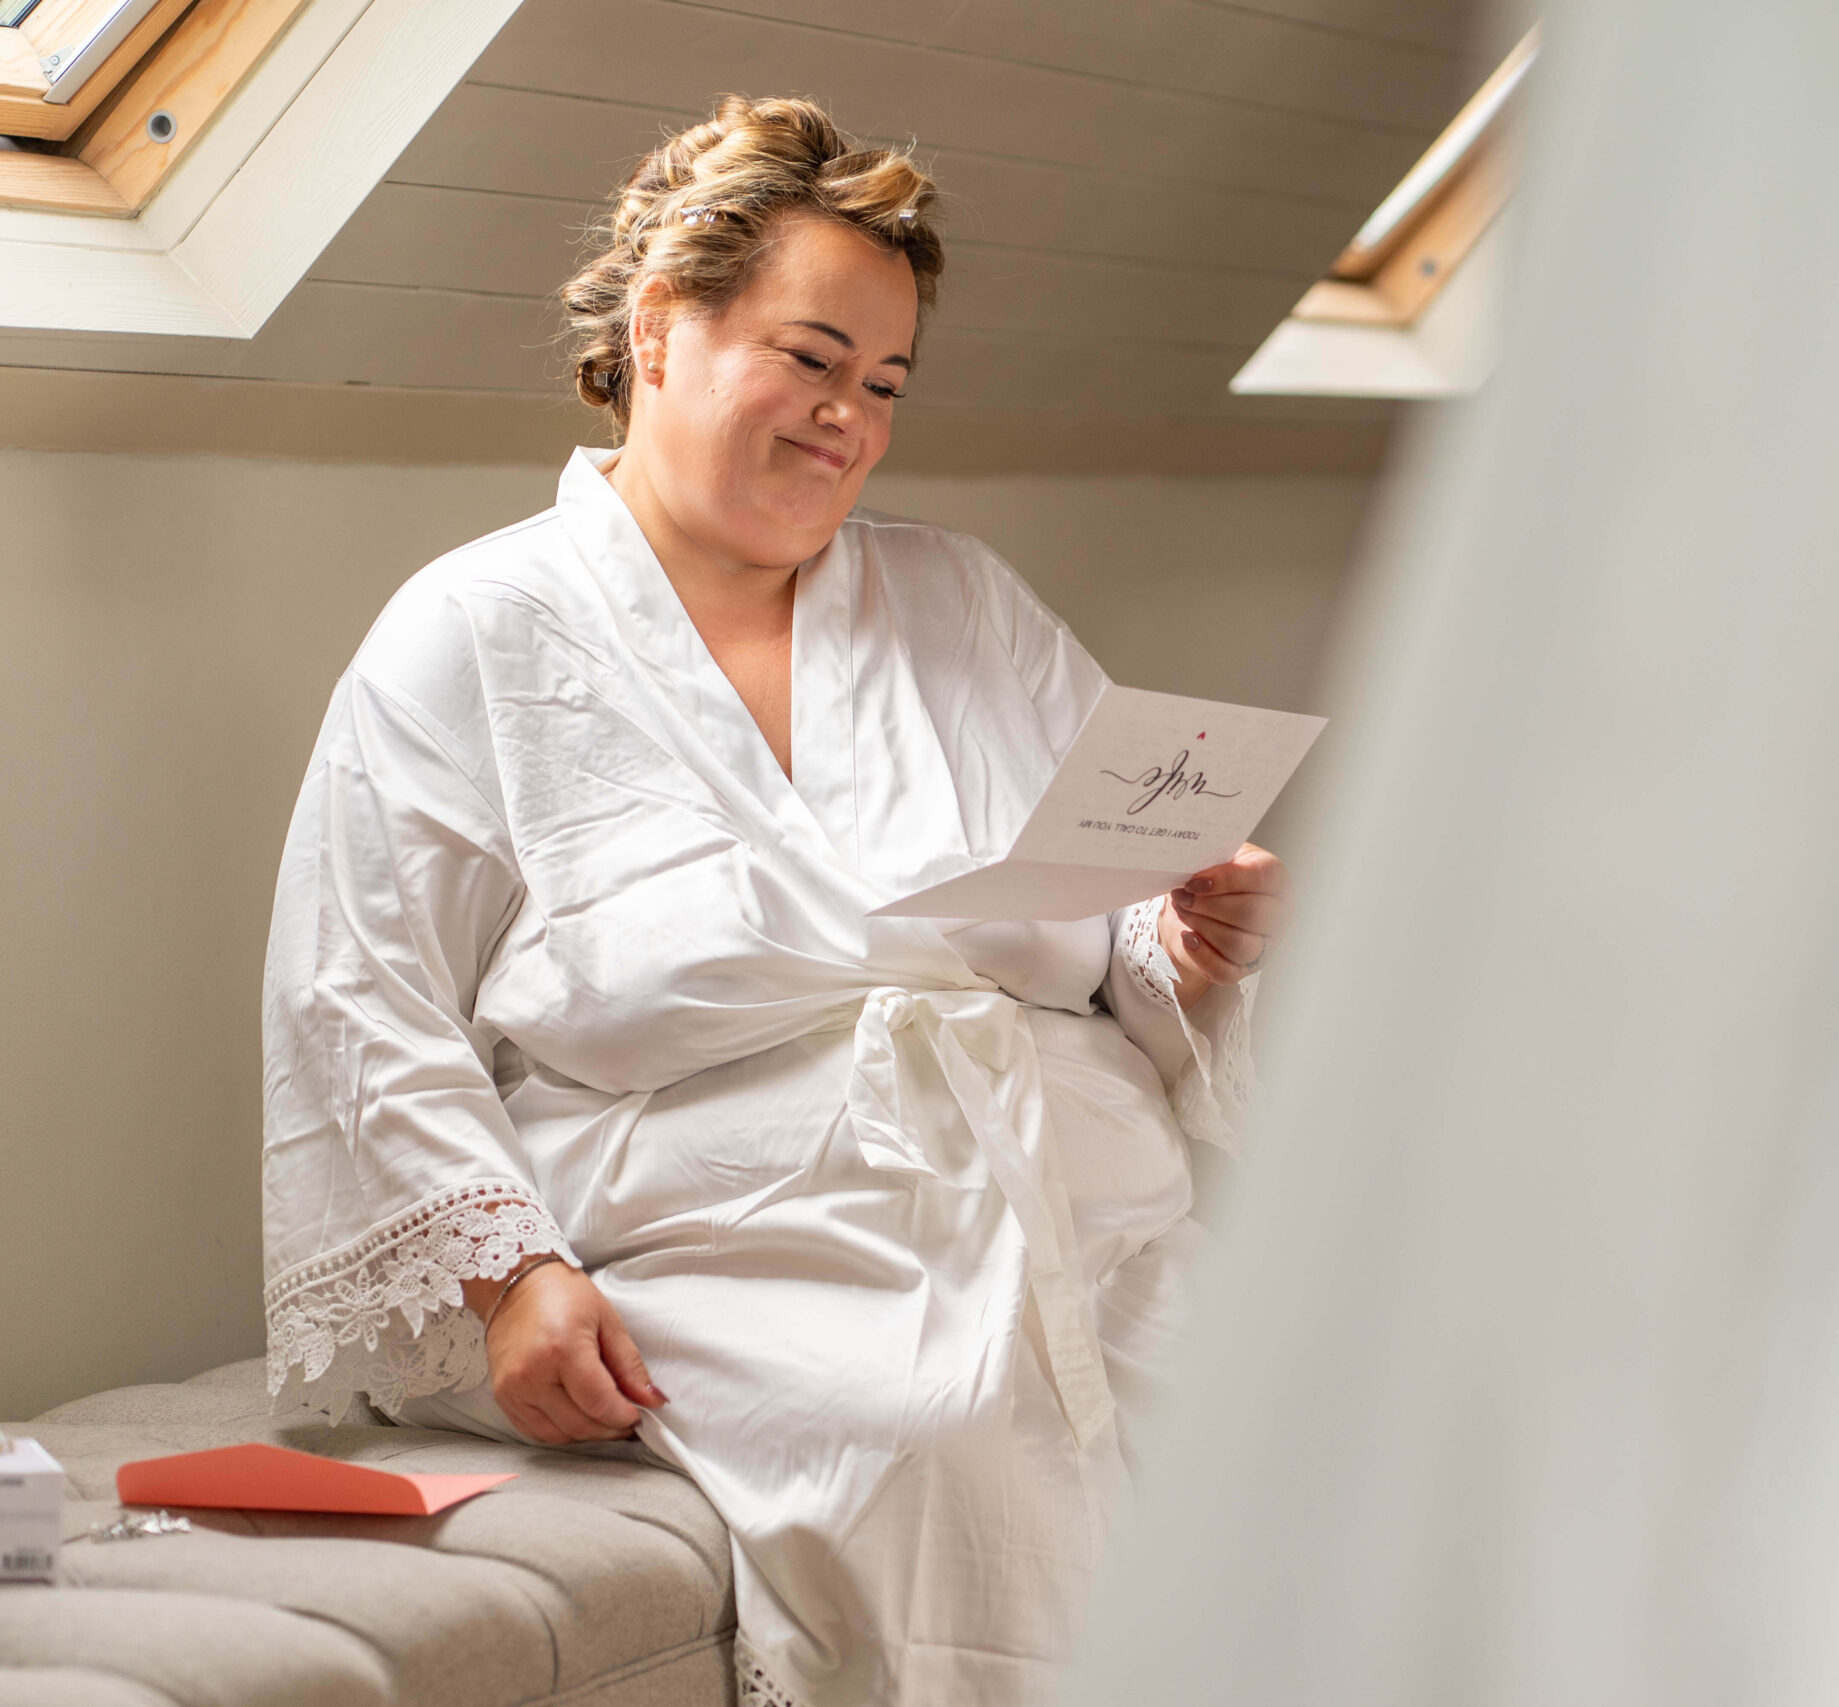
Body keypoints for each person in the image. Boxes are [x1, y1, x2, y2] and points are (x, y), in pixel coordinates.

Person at [258, 94, 1287, 1707]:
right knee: (945, 1433)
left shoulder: (966, 604)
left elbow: (1112, 937)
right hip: (739, 1251)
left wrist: (1183, 944)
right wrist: (515, 1279)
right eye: (810, 359)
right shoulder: (474, 633)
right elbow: (359, 995)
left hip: (1090, 1208)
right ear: (657, 327)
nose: (850, 421)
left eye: (883, 383)